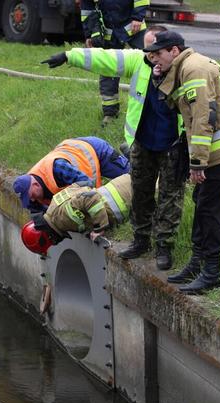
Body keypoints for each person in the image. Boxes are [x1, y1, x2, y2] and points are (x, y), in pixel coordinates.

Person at [41, 25, 186, 271]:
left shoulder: (187, 71)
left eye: (154, 51)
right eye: (147, 50)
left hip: (173, 146)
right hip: (142, 145)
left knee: (170, 198)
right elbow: (106, 58)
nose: (149, 55)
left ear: (171, 51)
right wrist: (69, 56)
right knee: (140, 192)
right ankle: (141, 241)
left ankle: (164, 247)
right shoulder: (140, 62)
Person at [143, 30, 220, 292]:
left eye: (158, 55)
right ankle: (198, 263)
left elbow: (202, 118)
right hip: (216, 152)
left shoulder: (194, 69)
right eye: (151, 57)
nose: (154, 61)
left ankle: (211, 273)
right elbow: (178, 106)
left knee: (210, 209)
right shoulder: (186, 68)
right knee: (202, 203)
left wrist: (197, 163)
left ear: (174, 50)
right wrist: (160, 79)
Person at [21, 173, 132, 255]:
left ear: (48, 238)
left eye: (52, 243)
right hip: (122, 183)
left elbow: (90, 197)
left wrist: (99, 228)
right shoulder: (54, 205)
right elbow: (83, 184)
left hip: (127, 197)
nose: (55, 243)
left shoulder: (61, 218)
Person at [13, 137, 130, 212]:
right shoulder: (30, 191)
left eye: (31, 196)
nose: (32, 200)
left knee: (133, 176)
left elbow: (87, 185)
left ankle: (130, 153)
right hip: (69, 150)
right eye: (28, 199)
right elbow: (41, 213)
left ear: (35, 185)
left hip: (93, 150)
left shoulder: (57, 168)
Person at [80, 0, 150, 125]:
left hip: (134, 26)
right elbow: (86, 10)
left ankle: (152, 109)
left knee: (149, 63)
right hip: (109, 31)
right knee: (108, 69)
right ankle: (110, 113)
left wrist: (138, 17)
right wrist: (89, 34)